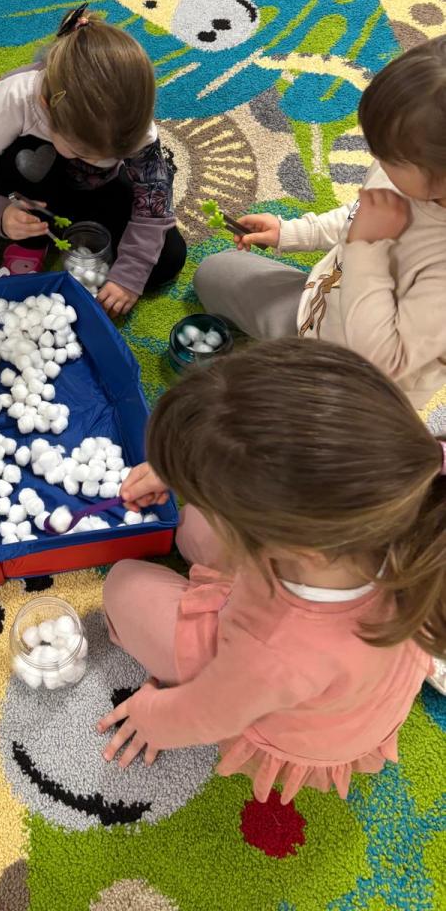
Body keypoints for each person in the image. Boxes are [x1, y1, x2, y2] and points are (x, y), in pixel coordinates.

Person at [99, 339, 441, 803]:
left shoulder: (276, 650)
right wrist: (187, 463)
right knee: (192, 524)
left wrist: (153, 715)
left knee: (123, 584)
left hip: (289, 708)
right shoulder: (400, 478)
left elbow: (208, 713)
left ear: (284, 546)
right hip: (338, 654)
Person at [193, 35, 446, 408]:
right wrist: (292, 232)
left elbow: (383, 359)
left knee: (254, 421)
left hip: (356, 385)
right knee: (211, 273)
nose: (376, 160)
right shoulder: (404, 169)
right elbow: (359, 214)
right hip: (313, 312)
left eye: (391, 159)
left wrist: (366, 247)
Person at [0, 4, 186, 317]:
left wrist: (129, 275)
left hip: (94, 189)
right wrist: (1, 214)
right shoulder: (9, 101)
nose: (101, 159)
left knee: (167, 259)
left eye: (115, 156)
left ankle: (68, 225)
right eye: (85, 152)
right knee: (30, 156)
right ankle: (32, 241)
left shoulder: (132, 121)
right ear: (46, 106)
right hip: (31, 190)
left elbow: (153, 207)